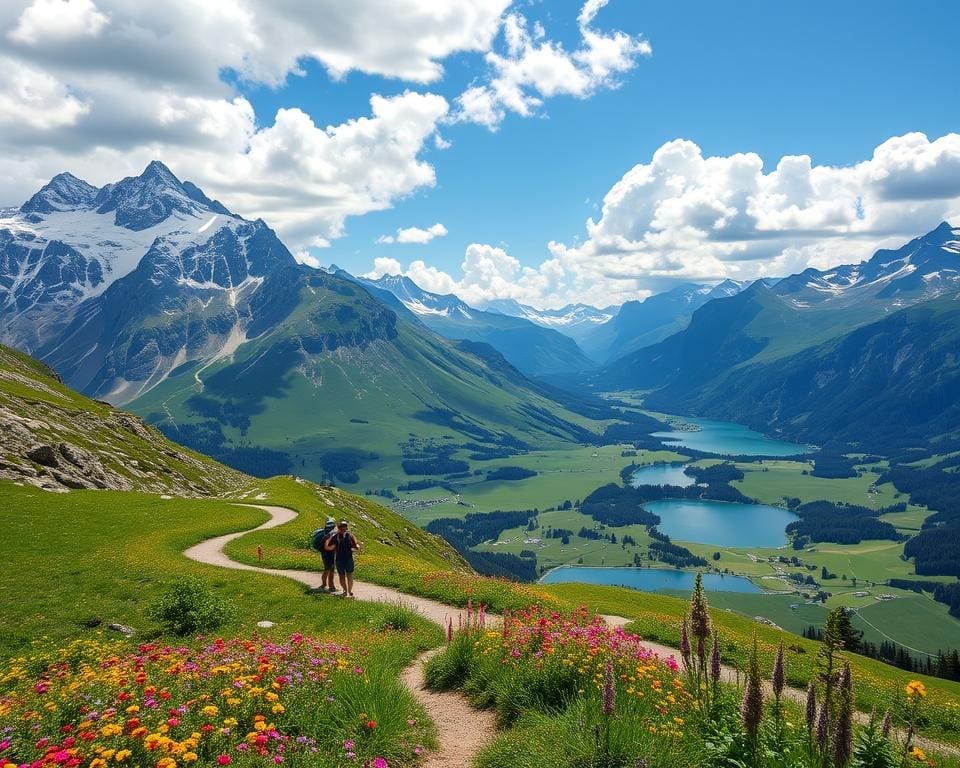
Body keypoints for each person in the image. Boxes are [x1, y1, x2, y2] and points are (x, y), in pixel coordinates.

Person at [325, 519, 361, 597]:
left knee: (345, 575)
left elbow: (328, 546)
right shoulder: (348, 535)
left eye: (344, 527)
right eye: (343, 527)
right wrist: (357, 547)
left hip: (341, 559)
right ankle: (347, 591)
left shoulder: (338, 536)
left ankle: (347, 591)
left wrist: (333, 547)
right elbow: (355, 546)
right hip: (346, 558)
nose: (344, 528)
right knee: (347, 575)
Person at [318, 516, 337, 592]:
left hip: (327, 554)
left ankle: (325, 584)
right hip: (327, 554)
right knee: (329, 570)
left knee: (328, 570)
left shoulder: (327, 534)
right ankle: (330, 586)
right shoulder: (329, 535)